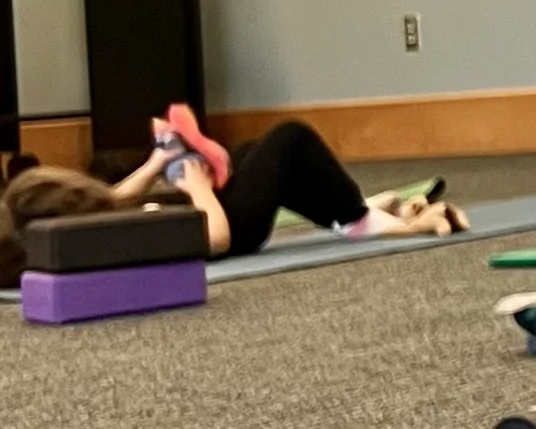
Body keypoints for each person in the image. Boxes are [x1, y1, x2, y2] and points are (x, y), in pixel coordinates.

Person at [0, 110, 468, 276]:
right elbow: (217, 237)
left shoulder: (76, 229)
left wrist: (158, 162)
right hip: (229, 230)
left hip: (208, 215)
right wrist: (199, 187)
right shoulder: (123, 233)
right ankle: (362, 220)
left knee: (250, 153)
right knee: (288, 138)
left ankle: (351, 211)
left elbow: (110, 198)